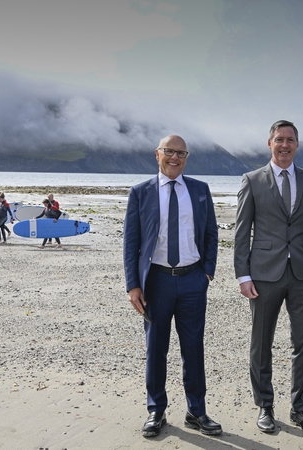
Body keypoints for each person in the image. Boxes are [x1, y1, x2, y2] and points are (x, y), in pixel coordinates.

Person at [233, 120, 303, 435]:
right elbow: (241, 232)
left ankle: (300, 409)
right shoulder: (252, 180)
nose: (284, 145)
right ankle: (265, 406)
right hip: (263, 275)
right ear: (269, 143)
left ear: (297, 145)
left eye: (290, 140)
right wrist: (243, 275)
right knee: (261, 343)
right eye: (279, 139)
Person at [123, 135, 221, 438]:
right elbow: (132, 242)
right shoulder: (141, 193)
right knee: (156, 349)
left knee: (193, 348)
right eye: (169, 151)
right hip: (156, 281)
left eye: (181, 153)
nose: (175, 157)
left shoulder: (200, 190)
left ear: (187, 157)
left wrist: (206, 273)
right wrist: (133, 285)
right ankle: (156, 411)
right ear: (158, 154)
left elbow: (211, 234)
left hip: (193, 280)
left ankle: (197, 411)